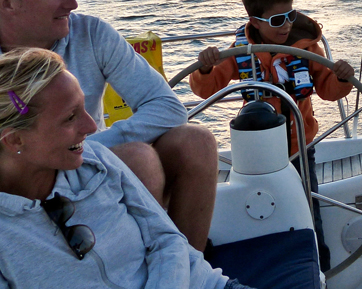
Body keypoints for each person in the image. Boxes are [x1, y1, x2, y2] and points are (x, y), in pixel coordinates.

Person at [0, 0, 217, 251]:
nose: (72, 3)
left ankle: (189, 269)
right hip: (18, 178)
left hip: (82, 158)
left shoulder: (91, 34)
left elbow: (168, 107)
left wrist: (87, 148)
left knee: (195, 141)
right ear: (8, 3)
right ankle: (133, 269)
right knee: (139, 160)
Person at [0, 48, 253, 289]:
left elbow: (168, 240)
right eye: (70, 117)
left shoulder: (97, 160)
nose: (90, 127)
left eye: (84, 108)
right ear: (14, 140)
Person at [190, 0, 354, 271]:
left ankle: (320, 268)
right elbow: (208, 87)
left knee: (308, 209)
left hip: (299, 148)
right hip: (257, 153)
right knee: (260, 210)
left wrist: (342, 78)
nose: (287, 24)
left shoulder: (307, 48)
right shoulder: (239, 52)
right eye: (277, 20)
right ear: (254, 22)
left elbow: (328, 90)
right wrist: (203, 68)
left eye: (290, 15)